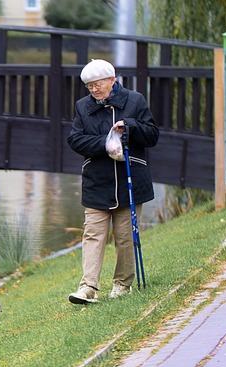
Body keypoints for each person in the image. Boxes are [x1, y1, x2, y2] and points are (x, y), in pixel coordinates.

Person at [67, 59, 159, 304]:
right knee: (93, 234)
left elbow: (152, 135)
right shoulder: (82, 107)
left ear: (111, 80)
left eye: (97, 84)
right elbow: (75, 140)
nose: (94, 90)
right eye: (89, 86)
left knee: (125, 235)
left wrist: (129, 126)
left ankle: (122, 284)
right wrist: (105, 144)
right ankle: (87, 287)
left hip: (130, 178)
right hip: (97, 180)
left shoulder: (134, 100)